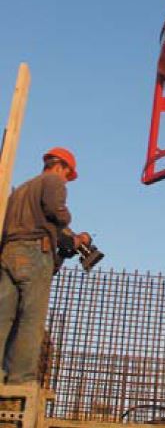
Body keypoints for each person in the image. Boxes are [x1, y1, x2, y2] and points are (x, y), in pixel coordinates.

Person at [0, 147, 89, 385]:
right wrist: (73, 231)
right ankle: (21, 380)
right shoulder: (52, 181)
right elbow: (56, 212)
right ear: (61, 166)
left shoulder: (20, 190)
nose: (66, 181)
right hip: (34, 253)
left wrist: (67, 241)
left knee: (4, 318)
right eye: (67, 176)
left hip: (9, 251)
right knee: (31, 318)